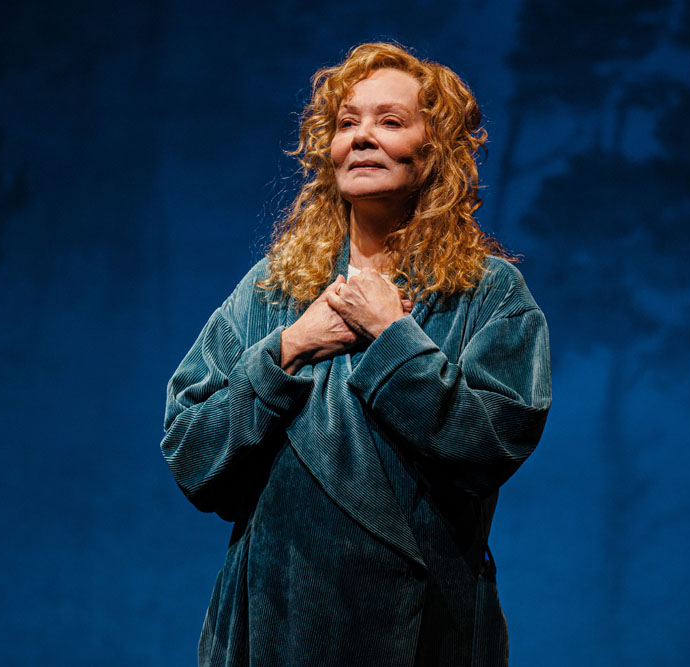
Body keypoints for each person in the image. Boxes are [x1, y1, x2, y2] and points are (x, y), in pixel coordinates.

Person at [161, 42, 552, 667]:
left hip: (430, 632)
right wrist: (289, 347)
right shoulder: (275, 290)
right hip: (276, 624)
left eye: (390, 121)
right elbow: (191, 451)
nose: (363, 137)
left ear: (436, 151)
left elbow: (490, 446)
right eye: (348, 123)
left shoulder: (487, 293)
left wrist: (394, 339)